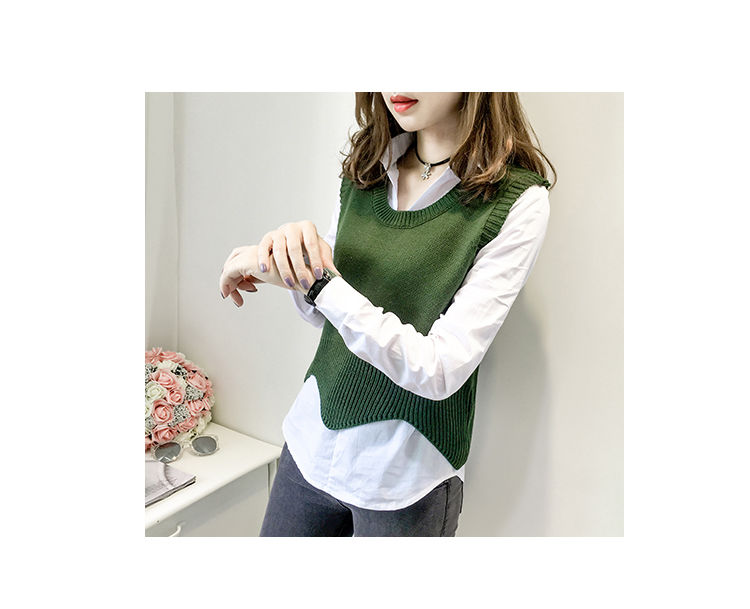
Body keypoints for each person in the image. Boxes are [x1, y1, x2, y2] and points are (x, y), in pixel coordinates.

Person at [219, 92, 556, 536]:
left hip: (404, 478)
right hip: (309, 443)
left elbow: (440, 368)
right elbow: (328, 310)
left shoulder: (518, 200)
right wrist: (279, 260)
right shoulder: (369, 164)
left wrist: (321, 283)